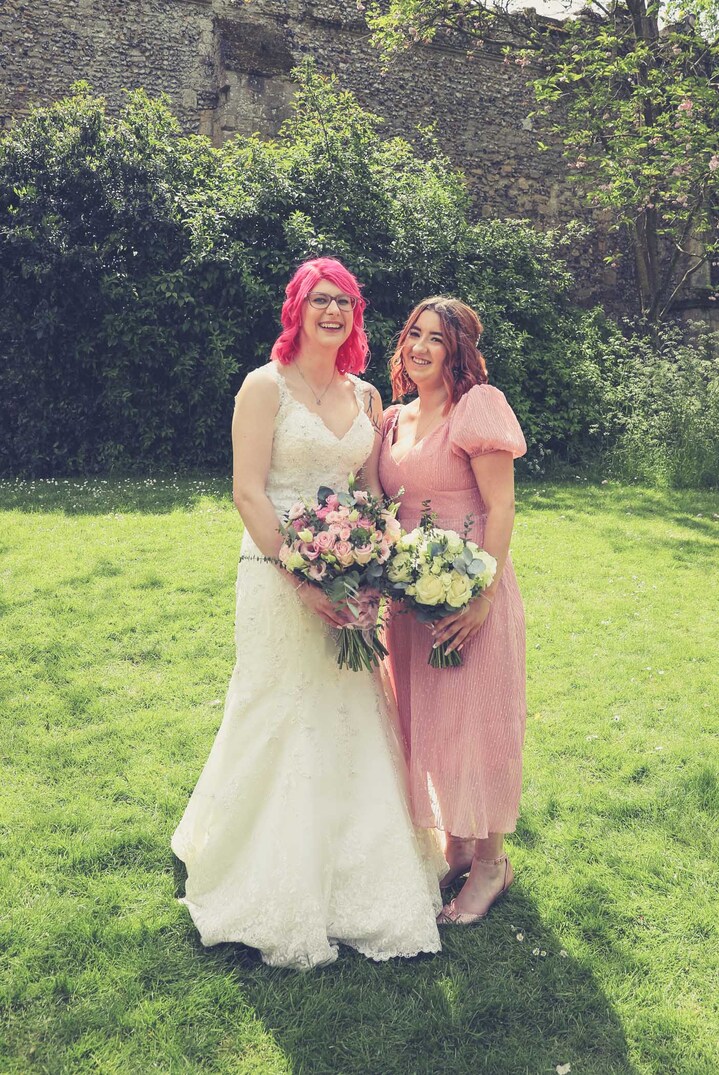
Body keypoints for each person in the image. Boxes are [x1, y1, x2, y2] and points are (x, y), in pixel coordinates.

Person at [172, 258, 444, 969]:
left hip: (349, 574)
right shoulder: (264, 388)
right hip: (274, 568)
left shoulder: (366, 395)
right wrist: (303, 579)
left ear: (356, 315)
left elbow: (369, 491)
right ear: (297, 308)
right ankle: (255, 866)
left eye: (345, 301)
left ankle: (360, 875)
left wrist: (371, 559)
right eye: (320, 298)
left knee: (350, 709)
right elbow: (249, 491)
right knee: (277, 705)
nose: (334, 310)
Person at [379, 297, 527, 926]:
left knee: (478, 723)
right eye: (414, 334)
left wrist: (483, 596)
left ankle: (492, 862)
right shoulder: (393, 418)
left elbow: (500, 508)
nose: (420, 347)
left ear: (459, 350)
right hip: (411, 598)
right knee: (428, 719)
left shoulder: (478, 409)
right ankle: (459, 845)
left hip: (472, 593)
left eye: (436, 339)